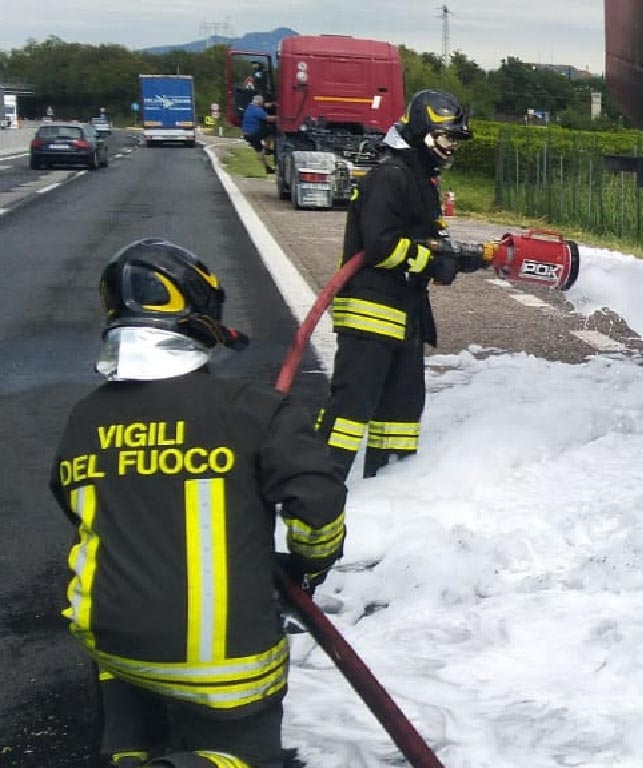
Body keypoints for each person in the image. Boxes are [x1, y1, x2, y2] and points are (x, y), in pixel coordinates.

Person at [50, 238, 347, 768]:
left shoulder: (83, 418)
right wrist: (307, 562)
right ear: (202, 317)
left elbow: (77, 506)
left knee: (131, 719)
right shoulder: (256, 410)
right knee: (244, 756)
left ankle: (129, 749)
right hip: (222, 664)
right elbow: (317, 506)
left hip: (110, 644)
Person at [316, 89, 476, 481]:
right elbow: (381, 245)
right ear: (423, 132)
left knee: (401, 413)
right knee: (350, 411)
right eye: (447, 138)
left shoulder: (420, 176)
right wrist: (433, 261)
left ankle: (387, 493)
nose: (452, 147)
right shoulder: (391, 175)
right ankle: (314, 493)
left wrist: (456, 256)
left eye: (456, 139)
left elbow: (421, 237)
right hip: (372, 315)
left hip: (403, 315)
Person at [241, 94, 277, 174]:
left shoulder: (250, 107)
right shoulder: (257, 110)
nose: (262, 103)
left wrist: (274, 104)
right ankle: (267, 148)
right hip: (254, 134)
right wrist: (279, 117)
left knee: (259, 151)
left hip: (247, 135)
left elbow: (265, 105)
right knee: (271, 129)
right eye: (261, 101)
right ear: (258, 101)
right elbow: (269, 119)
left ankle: (268, 169)